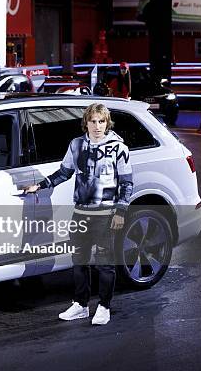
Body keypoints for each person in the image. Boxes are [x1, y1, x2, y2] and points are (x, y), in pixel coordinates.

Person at [24, 103, 133, 326]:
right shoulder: (76, 145)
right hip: (81, 213)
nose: (97, 126)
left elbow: (127, 183)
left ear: (107, 123)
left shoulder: (119, 148)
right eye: (92, 121)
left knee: (105, 264)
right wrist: (41, 185)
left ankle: (104, 307)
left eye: (101, 121)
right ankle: (81, 305)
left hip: (106, 213)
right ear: (86, 122)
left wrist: (120, 211)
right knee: (79, 261)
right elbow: (65, 172)